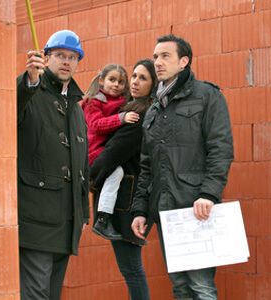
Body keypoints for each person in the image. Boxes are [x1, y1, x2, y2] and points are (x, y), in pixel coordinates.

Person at [131, 35, 234, 300]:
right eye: (155, 57)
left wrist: (209, 194)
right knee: (180, 288)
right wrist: (141, 209)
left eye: (165, 56)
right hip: (165, 211)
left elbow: (220, 148)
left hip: (195, 207)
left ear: (183, 61)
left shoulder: (207, 96)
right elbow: (146, 165)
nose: (158, 62)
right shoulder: (154, 108)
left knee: (201, 286)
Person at [17, 30, 89, 300]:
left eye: (73, 57)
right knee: (35, 295)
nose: (66, 62)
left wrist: (83, 212)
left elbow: (83, 166)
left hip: (66, 223)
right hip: (35, 221)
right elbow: (7, 112)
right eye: (60, 55)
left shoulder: (76, 106)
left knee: (51, 294)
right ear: (45, 58)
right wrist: (30, 83)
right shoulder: (29, 90)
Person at [90, 58, 158, 300]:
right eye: (135, 76)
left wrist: (89, 180)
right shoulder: (130, 109)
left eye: (143, 78)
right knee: (131, 268)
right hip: (129, 201)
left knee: (131, 269)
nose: (135, 82)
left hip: (127, 205)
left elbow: (111, 155)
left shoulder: (139, 117)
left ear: (154, 84)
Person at [82, 64, 139, 240]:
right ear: (101, 80)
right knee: (117, 172)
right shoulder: (93, 102)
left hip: (103, 150)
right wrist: (121, 118)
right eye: (112, 80)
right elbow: (96, 125)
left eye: (121, 82)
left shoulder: (122, 102)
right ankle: (102, 219)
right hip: (93, 152)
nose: (116, 85)